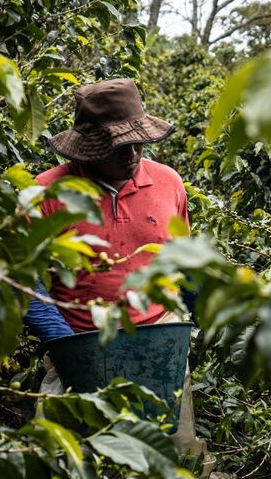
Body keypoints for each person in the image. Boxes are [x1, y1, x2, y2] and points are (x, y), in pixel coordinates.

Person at [21, 77, 189, 340]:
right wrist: (66, 343)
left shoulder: (168, 183)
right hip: (80, 337)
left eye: (138, 142)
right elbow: (22, 277)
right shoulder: (46, 193)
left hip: (161, 334)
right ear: (89, 147)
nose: (132, 155)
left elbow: (184, 260)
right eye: (119, 146)